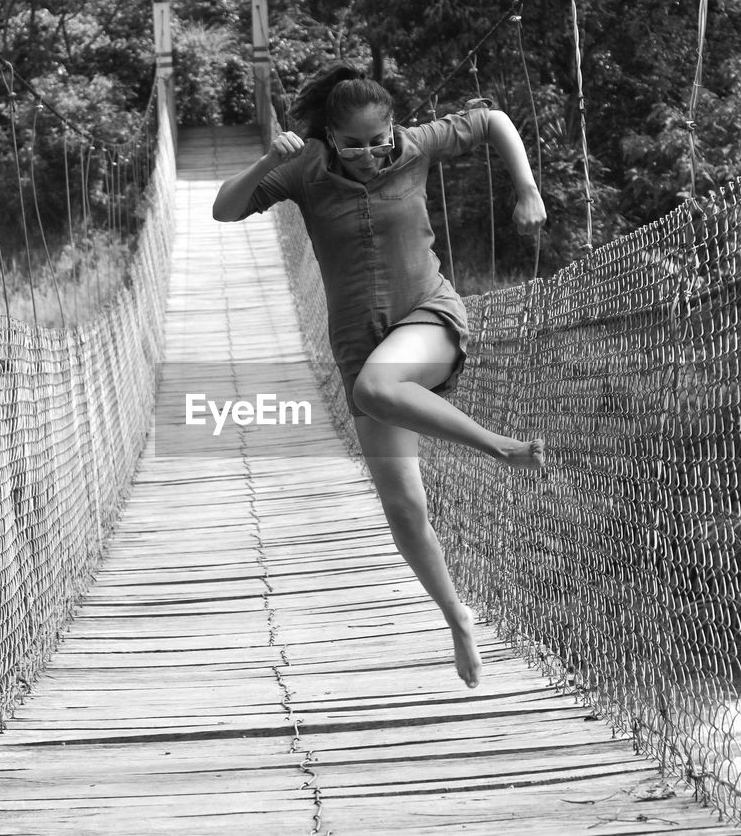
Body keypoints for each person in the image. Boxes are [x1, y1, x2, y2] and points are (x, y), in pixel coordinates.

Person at [212, 62, 547, 689]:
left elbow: (493, 118)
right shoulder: (306, 171)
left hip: (429, 317)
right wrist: (265, 163)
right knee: (402, 504)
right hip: (358, 344)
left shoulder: (416, 146)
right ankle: (457, 617)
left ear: (394, 128)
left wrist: (525, 188)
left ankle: (498, 447)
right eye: (354, 143)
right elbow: (224, 211)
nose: (369, 153)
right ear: (330, 139)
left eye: (378, 138)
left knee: (376, 388)